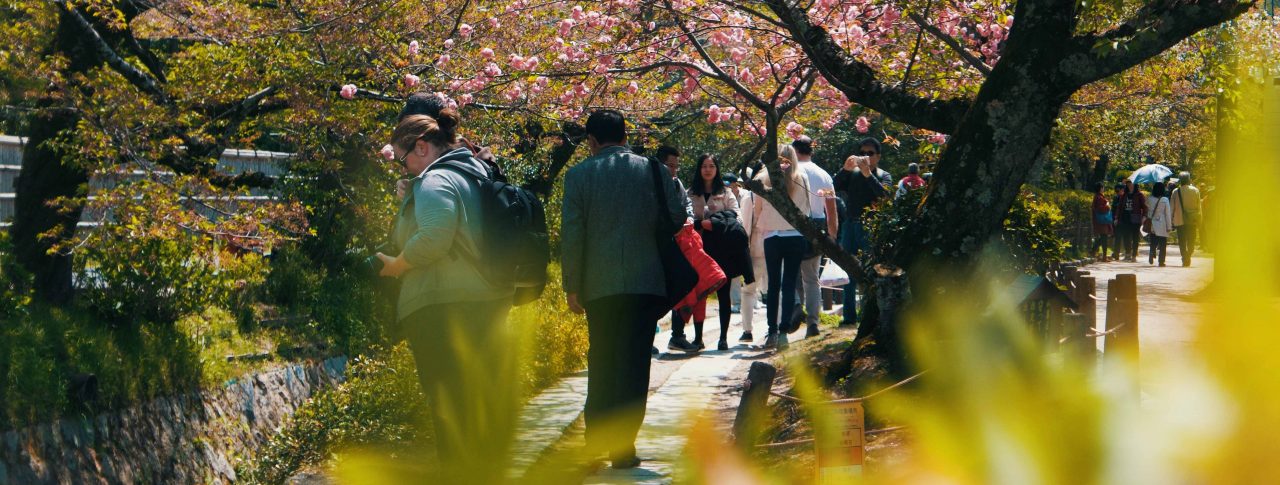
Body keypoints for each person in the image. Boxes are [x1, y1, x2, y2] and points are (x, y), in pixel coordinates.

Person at [377, 111, 517, 483]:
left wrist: (398, 264)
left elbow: (436, 236)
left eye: (404, 159)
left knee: (449, 405)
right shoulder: (475, 172)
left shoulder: (435, 178)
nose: (405, 169)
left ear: (421, 147)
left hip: (444, 305)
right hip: (486, 299)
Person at [560, 109, 690, 469]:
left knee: (602, 359)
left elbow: (573, 234)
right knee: (634, 363)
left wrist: (572, 285)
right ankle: (623, 447)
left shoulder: (578, 175)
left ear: (591, 140)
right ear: (624, 135)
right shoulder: (653, 169)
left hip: (599, 286)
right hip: (646, 281)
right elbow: (679, 215)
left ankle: (593, 443)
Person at [676, 154, 752, 351]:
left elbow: (736, 216)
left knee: (723, 292)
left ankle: (723, 337)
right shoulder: (690, 192)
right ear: (698, 169)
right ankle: (698, 337)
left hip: (722, 248)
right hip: (698, 249)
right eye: (704, 166)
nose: (708, 169)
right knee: (699, 292)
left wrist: (715, 223)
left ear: (717, 169)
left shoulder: (726, 192)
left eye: (711, 166)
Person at [755, 145, 813, 350]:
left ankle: (771, 330)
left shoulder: (763, 179)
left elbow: (758, 210)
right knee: (789, 284)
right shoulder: (801, 178)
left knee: (773, 285)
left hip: (772, 236)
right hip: (795, 236)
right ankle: (784, 332)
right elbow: (806, 209)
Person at [833, 138, 889, 326]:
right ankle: (849, 316)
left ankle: (870, 314)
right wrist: (845, 170)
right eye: (862, 152)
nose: (866, 157)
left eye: (870, 153)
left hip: (870, 227)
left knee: (870, 271)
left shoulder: (883, 175)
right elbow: (832, 187)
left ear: (878, 156)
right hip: (850, 225)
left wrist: (868, 175)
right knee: (848, 269)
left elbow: (885, 196)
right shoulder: (853, 174)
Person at [653, 145, 700, 353]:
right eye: (669, 166)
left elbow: (686, 205)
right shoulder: (650, 184)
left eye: (675, 167)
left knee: (682, 286)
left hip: (679, 243)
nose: (673, 171)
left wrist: (689, 218)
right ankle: (648, 338)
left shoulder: (676, 183)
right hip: (655, 246)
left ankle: (678, 335)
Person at [790, 136, 838, 339]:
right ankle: (813, 323)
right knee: (812, 279)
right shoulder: (824, 175)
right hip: (817, 226)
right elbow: (831, 208)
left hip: (792, 226)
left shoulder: (790, 173)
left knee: (789, 274)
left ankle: (795, 306)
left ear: (794, 151)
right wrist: (832, 234)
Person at [736, 167, 767, 344]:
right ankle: (775, 328)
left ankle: (747, 330)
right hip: (773, 246)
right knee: (773, 290)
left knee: (748, 290)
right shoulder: (779, 192)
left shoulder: (750, 196)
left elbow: (745, 226)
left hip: (754, 249)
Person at [1170, 171, 1202, 267]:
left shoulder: (1176, 192)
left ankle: (1185, 257)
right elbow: (1198, 207)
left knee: (1182, 241)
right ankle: (1188, 254)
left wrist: (1171, 220)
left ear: (1180, 180)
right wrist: (1199, 220)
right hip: (1192, 220)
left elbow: (1172, 207)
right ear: (1189, 179)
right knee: (1191, 240)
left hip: (1180, 220)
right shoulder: (1195, 190)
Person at [725, 173, 745, 314]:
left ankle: (752, 300)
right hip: (728, 237)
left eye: (728, 184)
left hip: (745, 235)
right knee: (733, 274)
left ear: (735, 184)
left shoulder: (746, 196)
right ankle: (735, 302)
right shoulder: (724, 195)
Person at [1117, 178, 1147, 262]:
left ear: (1134, 184)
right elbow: (1119, 207)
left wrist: (1144, 216)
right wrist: (1117, 217)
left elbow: (1144, 207)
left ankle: (1134, 255)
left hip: (1135, 218)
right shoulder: (1124, 195)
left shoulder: (1139, 195)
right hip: (1125, 217)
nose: (1129, 184)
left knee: (1135, 237)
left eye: (1131, 183)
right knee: (1126, 236)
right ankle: (1127, 254)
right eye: (1128, 183)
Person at [1145, 182, 1174, 266]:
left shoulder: (1149, 199)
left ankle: (1152, 252)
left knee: (1153, 241)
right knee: (1162, 244)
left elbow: (1147, 209)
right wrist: (1169, 226)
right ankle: (1161, 261)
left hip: (1153, 223)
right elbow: (1167, 214)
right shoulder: (1165, 200)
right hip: (1162, 224)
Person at [1091, 181, 1114, 262]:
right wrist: (1107, 206)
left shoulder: (1097, 197)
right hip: (1102, 221)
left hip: (1100, 221)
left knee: (1103, 238)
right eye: (1102, 187)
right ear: (1101, 188)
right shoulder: (1099, 197)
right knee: (1104, 238)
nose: (1103, 189)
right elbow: (1101, 209)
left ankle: (1094, 251)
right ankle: (1102, 256)